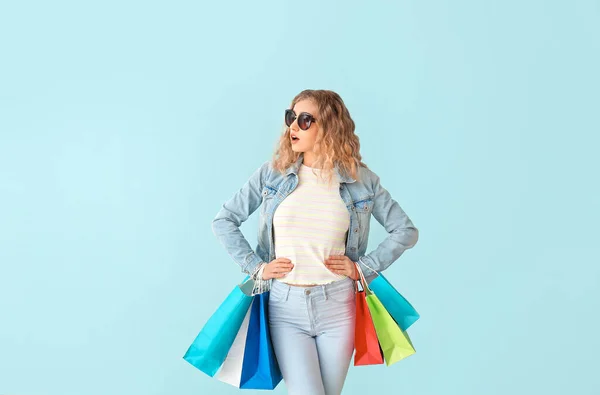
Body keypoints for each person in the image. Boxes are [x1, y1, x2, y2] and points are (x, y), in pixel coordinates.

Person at [211, 89, 419, 395]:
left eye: (305, 119)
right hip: (285, 307)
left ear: (331, 126)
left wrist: (362, 268)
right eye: (290, 117)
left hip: (339, 306)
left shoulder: (361, 181)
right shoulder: (272, 175)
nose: (293, 126)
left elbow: (405, 231)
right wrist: (257, 268)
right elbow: (223, 221)